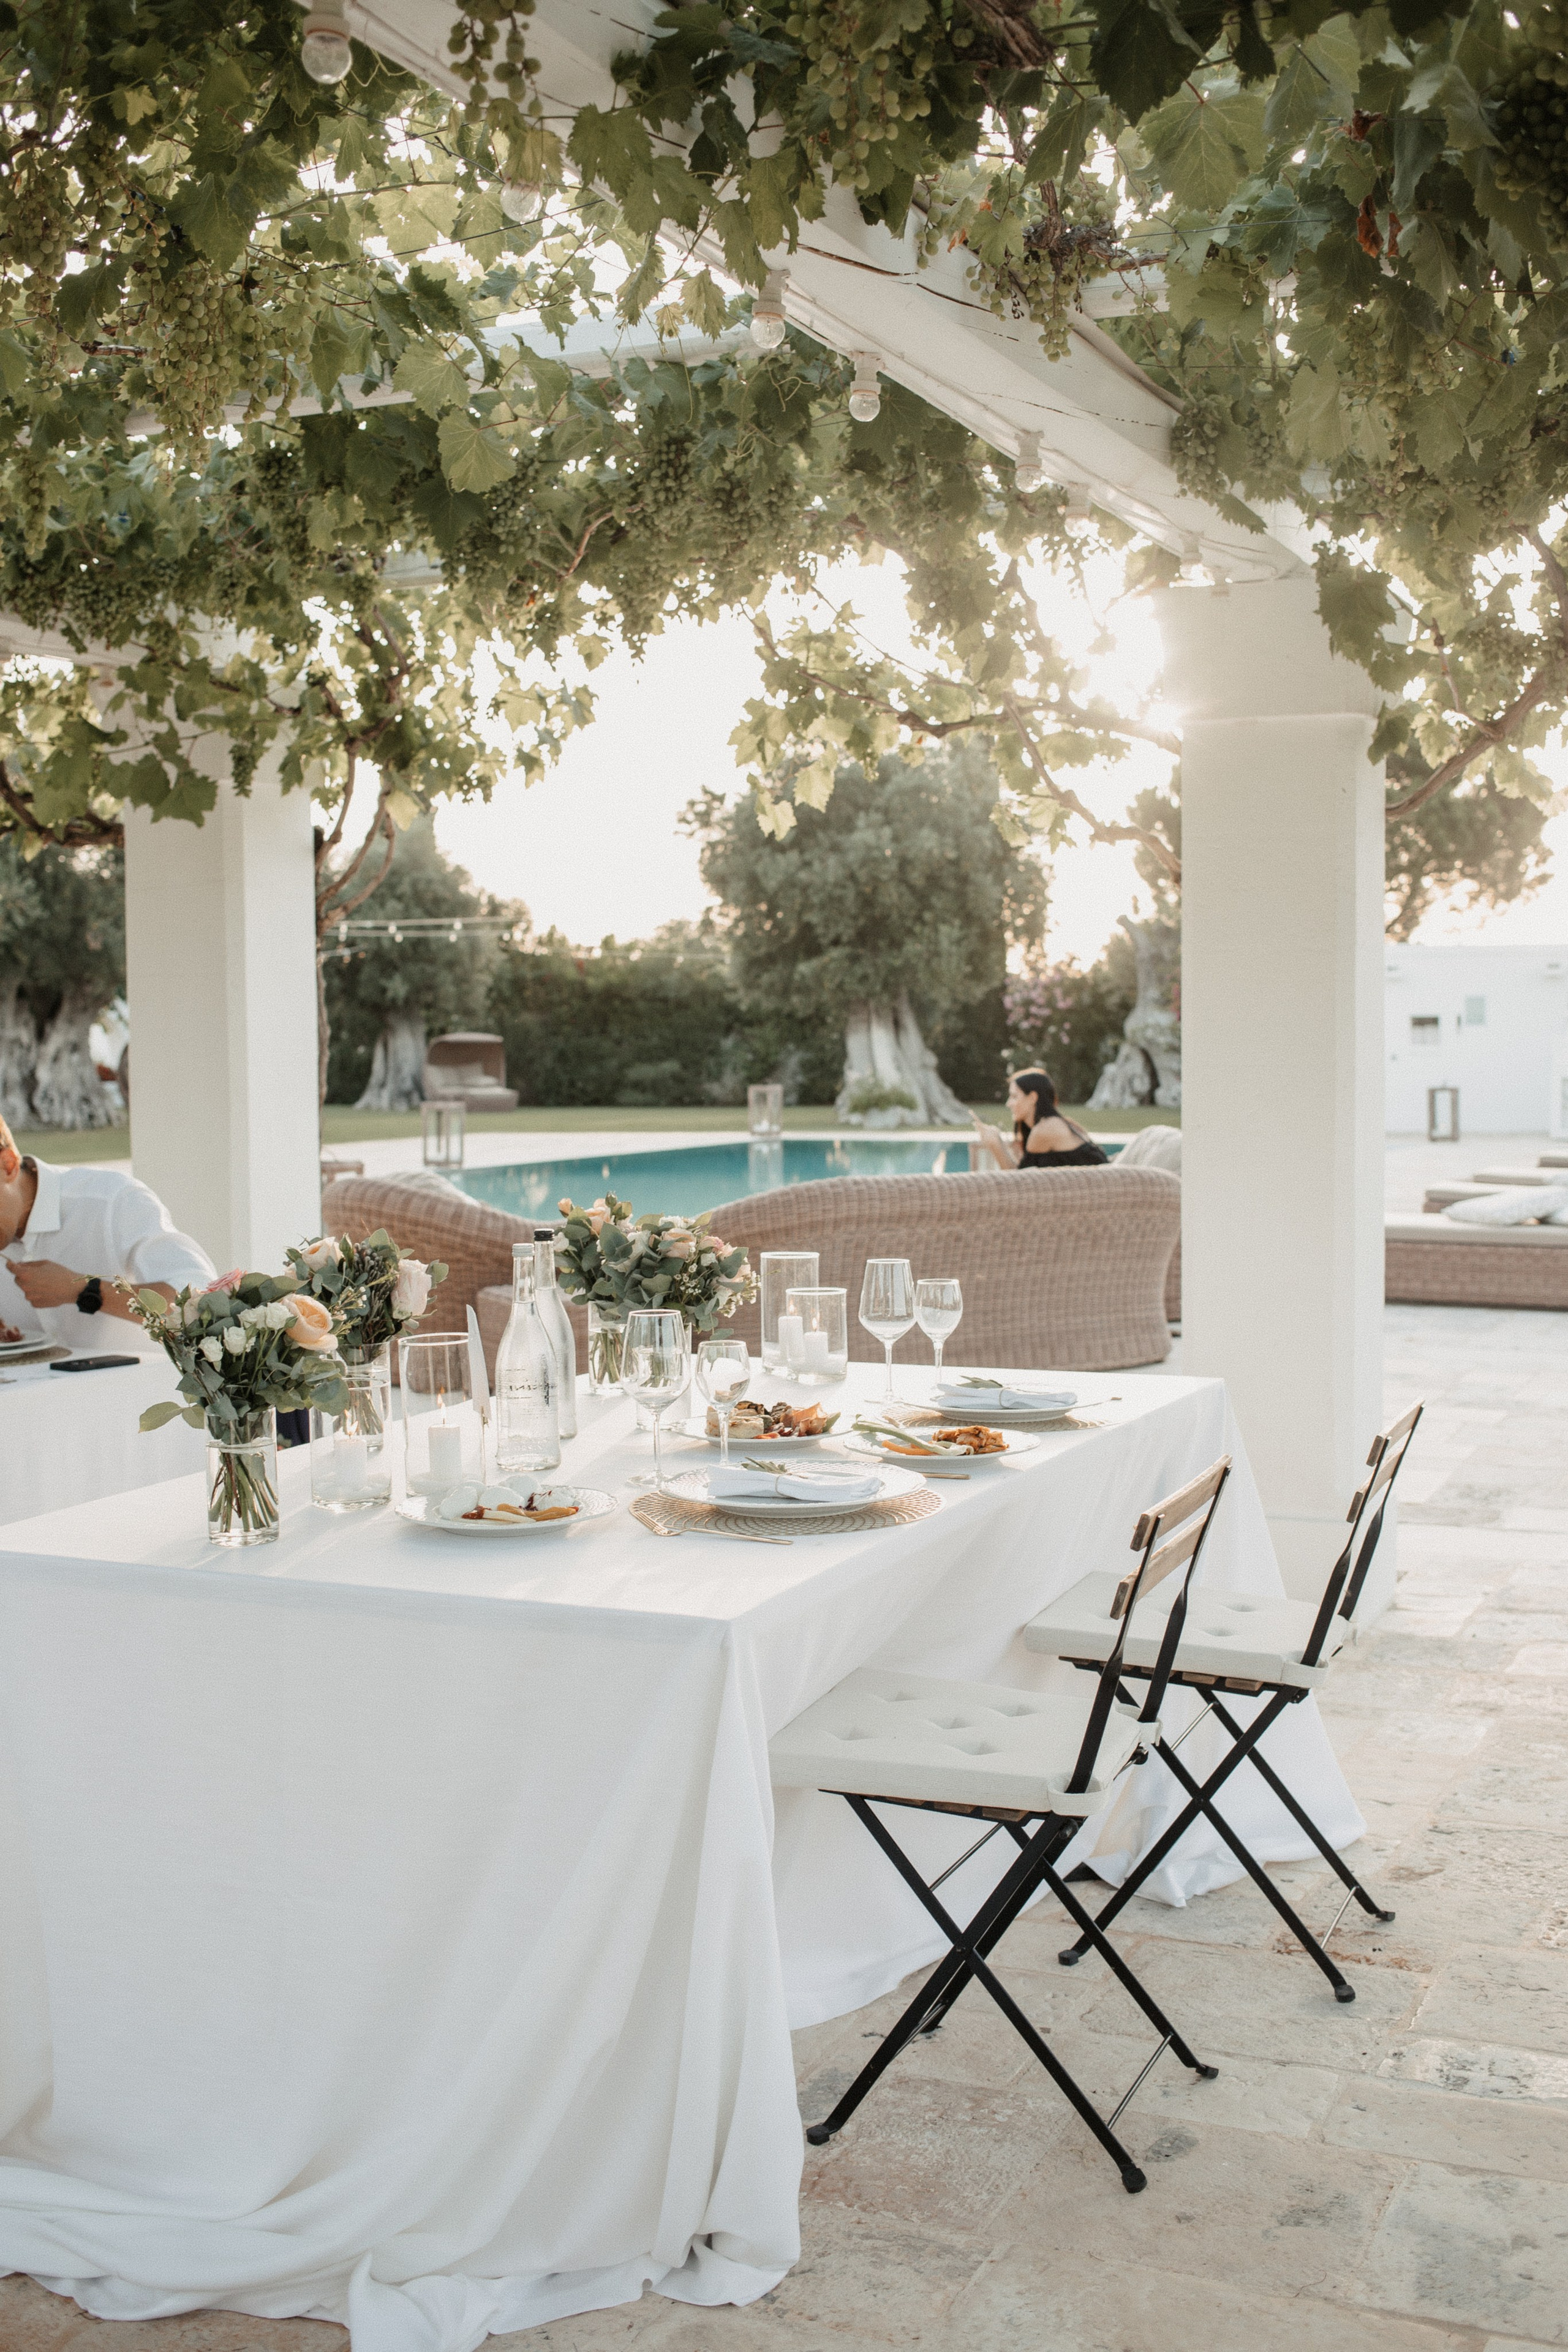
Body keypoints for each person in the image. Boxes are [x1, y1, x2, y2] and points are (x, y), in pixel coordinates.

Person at [0, 1115, 216, 1350]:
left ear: (8, 1165)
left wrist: (85, 1291)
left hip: (135, 1383)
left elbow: (201, 1303)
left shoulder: (113, 1200)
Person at [970, 1068, 1109, 1171]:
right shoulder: (1054, 1123)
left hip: (1104, 1192)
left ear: (1032, 1098)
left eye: (1014, 1097)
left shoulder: (1044, 1129)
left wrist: (996, 1145)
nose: (1008, 1103)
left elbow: (1019, 1184)